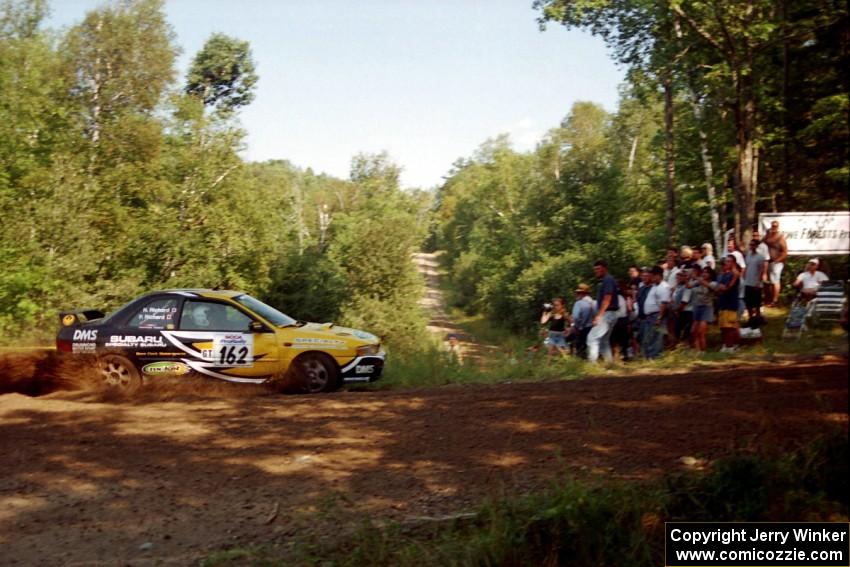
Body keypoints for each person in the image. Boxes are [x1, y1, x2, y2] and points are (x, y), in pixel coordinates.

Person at [587, 260, 619, 363]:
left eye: (598, 269)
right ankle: (610, 364)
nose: (596, 271)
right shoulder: (605, 280)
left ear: (605, 268)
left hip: (607, 314)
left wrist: (599, 316)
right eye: (595, 269)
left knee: (592, 338)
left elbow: (607, 299)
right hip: (610, 314)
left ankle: (592, 364)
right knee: (604, 341)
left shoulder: (608, 280)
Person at [641, 265, 671, 359]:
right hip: (649, 316)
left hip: (657, 315)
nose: (652, 278)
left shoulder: (664, 286)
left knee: (656, 338)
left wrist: (659, 317)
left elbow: (664, 303)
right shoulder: (654, 286)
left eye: (653, 275)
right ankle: (648, 357)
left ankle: (655, 357)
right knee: (647, 337)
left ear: (658, 275)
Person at [715, 255, 741, 352]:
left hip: (730, 303)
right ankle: (726, 344)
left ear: (733, 262)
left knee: (729, 326)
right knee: (723, 326)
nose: (727, 263)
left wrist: (722, 287)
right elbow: (719, 287)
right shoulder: (725, 274)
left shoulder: (735, 273)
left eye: (729, 261)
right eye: (726, 261)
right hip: (722, 302)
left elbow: (728, 287)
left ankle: (732, 345)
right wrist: (720, 288)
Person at [742, 238, 768, 324]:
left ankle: (758, 318)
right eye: (750, 245)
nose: (751, 246)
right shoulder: (748, 255)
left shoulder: (760, 257)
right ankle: (751, 318)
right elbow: (746, 266)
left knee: (757, 303)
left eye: (753, 245)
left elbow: (761, 270)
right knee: (748, 302)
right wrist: (744, 276)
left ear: (757, 246)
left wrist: (758, 281)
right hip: (748, 282)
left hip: (756, 283)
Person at [690, 265, 715, 352]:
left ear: (710, 274)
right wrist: (687, 277)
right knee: (693, 331)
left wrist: (698, 278)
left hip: (706, 308)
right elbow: (689, 286)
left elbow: (710, 287)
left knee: (701, 331)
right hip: (697, 307)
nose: (704, 274)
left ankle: (703, 350)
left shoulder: (713, 283)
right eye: (703, 272)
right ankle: (697, 350)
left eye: (707, 272)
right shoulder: (698, 282)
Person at [763, 220, 788, 307]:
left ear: (778, 227)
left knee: (775, 281)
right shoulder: (767, 236)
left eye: (775, 226)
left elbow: (785, 252)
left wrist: (778, 260)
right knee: (766, 282)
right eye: (773, 225)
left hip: (777, 263)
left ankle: (775, 300)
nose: (774, 227)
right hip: (768, 262)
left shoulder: (780, 237)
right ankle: (768, 300)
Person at [568, 283, 595, 358]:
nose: (576, 294)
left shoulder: (579, 303)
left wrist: (577, 327)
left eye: (578, 293)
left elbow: (576, 317)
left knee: (580, 346)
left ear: (581, 293)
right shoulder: (593, 302)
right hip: (593, 327)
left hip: (582, 328)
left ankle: (580, 361)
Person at [671, 270, 692, 344]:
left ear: (685, 277)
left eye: (680, 276)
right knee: (676, 330)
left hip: (686, 312)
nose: (678, 278)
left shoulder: (687, 287)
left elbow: (684, 302)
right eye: (677, 277)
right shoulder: (677, 287)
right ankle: (677, 345)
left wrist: (677, 310)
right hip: (677, 311)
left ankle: (684, 345)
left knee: (684, 331)